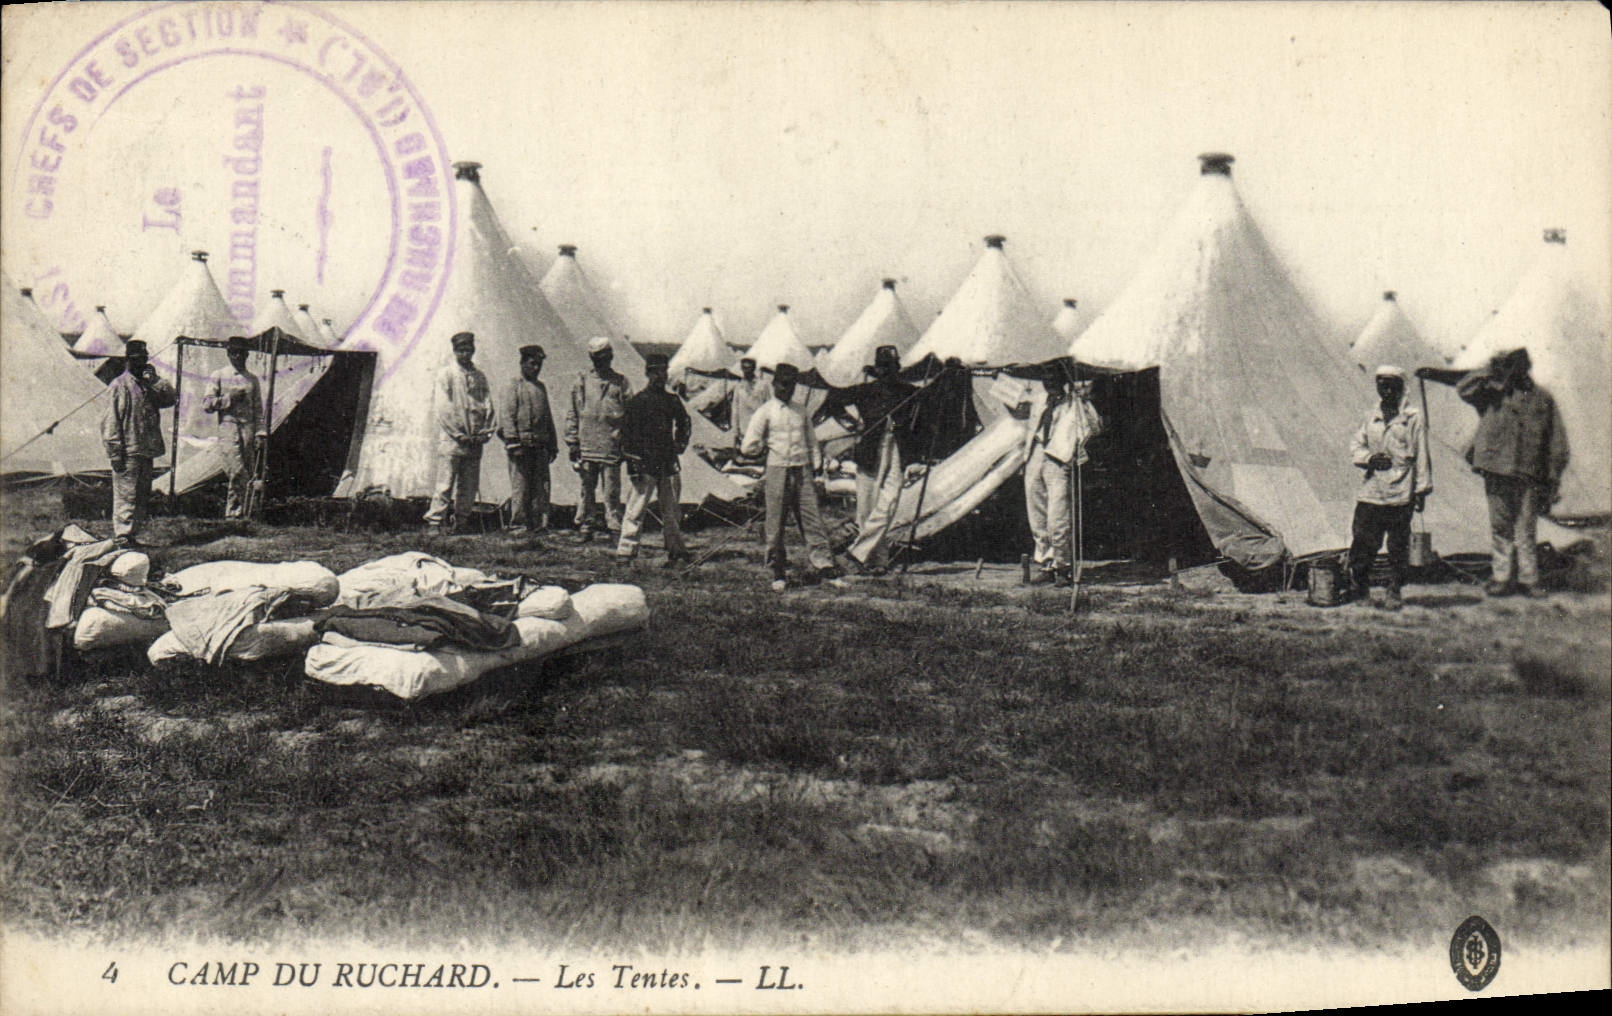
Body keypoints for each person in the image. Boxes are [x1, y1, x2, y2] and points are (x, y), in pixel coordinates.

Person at [1457, 347, 1569, 597]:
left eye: (1520, 367)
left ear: (1528, 368)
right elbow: (1463, 389)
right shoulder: (1493, 393)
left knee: (1526, 528)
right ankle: (1501, 577)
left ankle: (1529, 579)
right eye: (1511, 367)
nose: (1516, 372)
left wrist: (1553, 475)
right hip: (1496, 468)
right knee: (1500, 527)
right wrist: (1490, 369)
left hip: (1528, 472)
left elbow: (1557, 442)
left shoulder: (1543, 398)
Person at [741, 363, 843, 592]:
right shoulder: (765, 411)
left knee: (812, 519)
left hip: (802, 470)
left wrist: (816, 467)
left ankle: (825, 565)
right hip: (777, 469)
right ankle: (777, 569)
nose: (787, 389)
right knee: (775, 521)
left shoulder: (801, 410)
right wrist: (764, 449)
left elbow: (811, 441)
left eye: (791, 385)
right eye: (783, 384)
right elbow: (748, 446)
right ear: (775, 384)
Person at [1346, 365, 1432, 609]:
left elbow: (1422, 455)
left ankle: (1394, 589)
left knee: (1397, 544)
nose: (1386, 389)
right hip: (1372, 489)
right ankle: (1360, 587)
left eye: (1391, 384)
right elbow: (1357, 445)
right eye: (1381, 384)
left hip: (1401, 489)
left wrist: (1421, 490)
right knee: (1363, 540)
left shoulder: (1412, 417)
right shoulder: (1371, 415)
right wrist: (1369, 459)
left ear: (1401, 387)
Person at [1023, 372, 1103, 587]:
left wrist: (1083, 401)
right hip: (1037, 452)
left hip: (1058, 456)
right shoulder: (1040, 399)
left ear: (1063, 380)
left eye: (1053, 377)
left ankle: (1063, 565)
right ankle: (1046, 562)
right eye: (1045, 377)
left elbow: (1095, 427)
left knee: (1057, 515)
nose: (1048, 381)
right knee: (1036, 512)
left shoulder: (1074, 402)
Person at [616, 353, 692, 566]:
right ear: (647, 373)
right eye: (655, 372)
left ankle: (676, 549)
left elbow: (684, 422)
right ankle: (626, 551)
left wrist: (680, 443)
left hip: (667, 463)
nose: (660, 376)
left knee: (671, 510)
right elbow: (627, 434)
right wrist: (632, 462)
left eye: (663, 371)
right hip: (644, 463)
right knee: (636, 508)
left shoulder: (671, 400)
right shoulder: (637, 402)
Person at [100, 339, 178, 548]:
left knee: (142, 495)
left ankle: (133, 534)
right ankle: (122, 536)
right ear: (127, 361)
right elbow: (110, 421)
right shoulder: (119, 385)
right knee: (126, 494)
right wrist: (115, 451)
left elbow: (171, 398)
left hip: (146, 448)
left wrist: (154, 380)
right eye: (135, 360)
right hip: (127, 449)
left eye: (143, 359)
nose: (140, 363)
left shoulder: (148, 385)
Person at [425, 332, 496, 535]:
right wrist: (458, 433)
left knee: (469, 485)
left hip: (474, 439)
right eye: (461, 350)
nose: (465, 354)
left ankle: (461, 521)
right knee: (445, 482)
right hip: (452, 440)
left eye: (468, 350)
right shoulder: (446, 374)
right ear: (455, 351)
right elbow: (443, 407)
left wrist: (485, 431)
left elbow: (487, 404)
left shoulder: (479, 376)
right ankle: (435, 522)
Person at [565, 336, 630, 542]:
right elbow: (573, 412)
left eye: (605, 357)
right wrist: (572, 441)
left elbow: (630, 414)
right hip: (587, 444)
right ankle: (586, 525)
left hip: (611, 444)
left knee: (611, 490)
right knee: (587, 488)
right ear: (591, 359)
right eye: (597, 358)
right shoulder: (582, 381)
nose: (601, 362)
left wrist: (625, 440)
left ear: (611, 357)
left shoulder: (620, 382)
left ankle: (614, 527)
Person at [497, 344, 558, 541]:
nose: (536, 368)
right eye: (532, 363)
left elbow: (548, 417)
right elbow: (507, 416)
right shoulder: (513, 386)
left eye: (539, 364)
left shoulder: (541, 387)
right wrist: (513, 442)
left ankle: (538, 524)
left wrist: (552, 444)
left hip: (539, 445)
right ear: (522, 363)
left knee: (541, 487)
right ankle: (518, 524)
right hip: (520, 446)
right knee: (520, 486)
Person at [200, 335, 264, 519]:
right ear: (228, 354)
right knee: (235, 470)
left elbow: (258, 408)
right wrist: (228, 399)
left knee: (247, 469)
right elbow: (206, 404)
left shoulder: (252, 379)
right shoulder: (218, 375)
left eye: (241, 353)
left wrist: (260, 432)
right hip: (228, 427)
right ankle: (251, 509)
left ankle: (235, 514)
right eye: (234, 352)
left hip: (248, 428)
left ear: (247, 355)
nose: (237, 356)